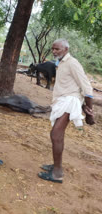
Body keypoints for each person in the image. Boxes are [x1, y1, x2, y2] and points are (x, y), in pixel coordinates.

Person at [38, 38, 95, 183]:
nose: (54, 51)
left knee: (55, 134)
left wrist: (89, 113)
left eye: (57, 49)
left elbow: (87, 88)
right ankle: (56, 166)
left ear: (66, 49)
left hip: (70, 102)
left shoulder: (72, 63)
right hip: (62, 101)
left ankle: (57, 173)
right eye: (53, 48)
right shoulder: (60, 63)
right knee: (58, 135)